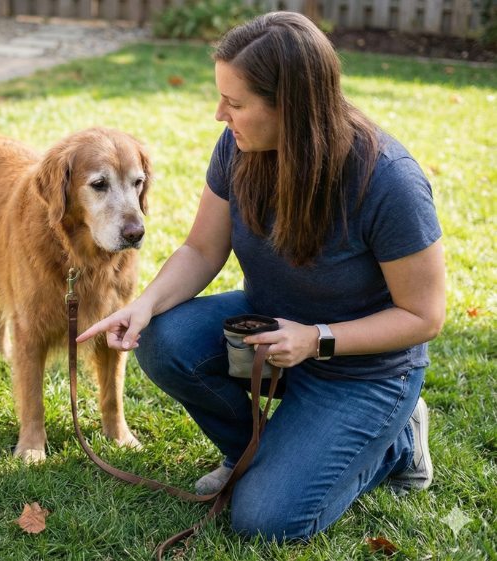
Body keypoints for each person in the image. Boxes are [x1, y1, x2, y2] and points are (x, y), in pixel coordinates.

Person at [77, 11, 445, 542]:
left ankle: (398, 443)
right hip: (270, 335)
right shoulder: (238, 146)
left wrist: (316, 338)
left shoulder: (389, 181)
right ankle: (253, 453)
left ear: (291, 107)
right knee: (163, 338)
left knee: (265, 521)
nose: (219, 114)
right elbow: (202, 249)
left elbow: (423, 316)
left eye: (235, 102)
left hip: (364, 370)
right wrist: (145, 305)